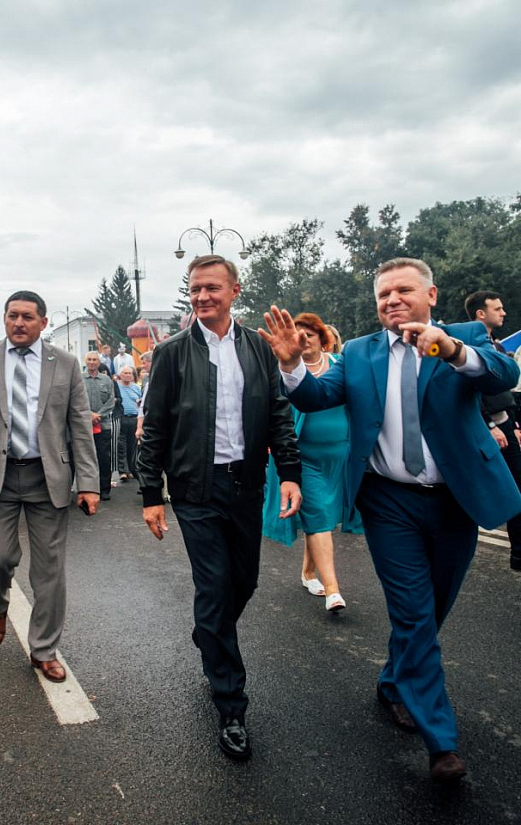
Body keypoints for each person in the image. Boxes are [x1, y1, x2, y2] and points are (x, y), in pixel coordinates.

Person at [261, 257, 521, 782]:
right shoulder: (360, 353)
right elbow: (315, 395)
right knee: (412, 612)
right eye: (384, 294)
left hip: (455, 501)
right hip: (389, 502)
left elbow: (504, 373)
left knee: (434, 606)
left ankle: (393, 682)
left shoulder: (466, 336)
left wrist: (453, 350)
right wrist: (292, 366)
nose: (392, 300)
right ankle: (440, 740)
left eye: (403, 290)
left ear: (431, 295)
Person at [137, 254, 302, 762]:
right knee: (213, 586)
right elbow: (154, 427)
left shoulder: (257, 347)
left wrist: (290, 472)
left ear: (234, 291)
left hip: (247, 485)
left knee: (244, 582)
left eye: (211, 287)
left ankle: (209, 633)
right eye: (195, 288)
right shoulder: (171, 353)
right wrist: (151, 495)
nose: (202, 296)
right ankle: (231, 706)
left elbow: (278, 413)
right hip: (196, 490)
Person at [0, 291, 99, 683]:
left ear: (43, 323)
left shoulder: (64, 363)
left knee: (49, 570)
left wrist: (89, 483)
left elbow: (79, 425)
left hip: (47, 477)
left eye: (27, 317)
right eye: (12, 315)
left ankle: (44, 650)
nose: (18, 323)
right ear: (4, 319)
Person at [261, 313, 357, 612]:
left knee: (325, 518)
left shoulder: (340, 364)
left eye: (309, 334)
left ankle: (308, 572)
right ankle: (333, 591)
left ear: (321, 337)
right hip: (303, 458)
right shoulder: (284, 372)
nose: (302, 339)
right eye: (296, 335)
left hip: (340, 457)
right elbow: (271, 410)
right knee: (318, 516)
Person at [465, 290, 521, 571]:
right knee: (487, 488)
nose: (503, 312)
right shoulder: (464, 348)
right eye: (497, 309)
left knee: (515, 487)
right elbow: (468, 393)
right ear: (481, 313)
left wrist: (514, 424)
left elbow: (507, 391)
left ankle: (518, 553)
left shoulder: (496, 346)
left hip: (506, 423)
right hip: (485, 428)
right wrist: (489, 425)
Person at [83, 352, 115, 500]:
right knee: (85, 459)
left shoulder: (106, 380)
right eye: (89, 359)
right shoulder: (79, 378)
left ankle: (104, 489)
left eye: (94, 359)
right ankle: (87, 488)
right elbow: (75, 399)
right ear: (85, 361)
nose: (92, 362)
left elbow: (111, 400)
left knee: (104, 458)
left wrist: (98, 415)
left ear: (99, 362)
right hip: (83, 426)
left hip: (103, 425)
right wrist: (89, 414)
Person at [116, 366, 142, 482]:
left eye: (129, 373)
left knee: (132, 445)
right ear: (120, 375)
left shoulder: (136, 387)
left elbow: (141, 402)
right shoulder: (116, 386)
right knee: (121, 445)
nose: (127, 375)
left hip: (134, 418)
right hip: (121, 417)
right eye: (125, 373)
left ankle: (131, 469)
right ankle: (123, 471)